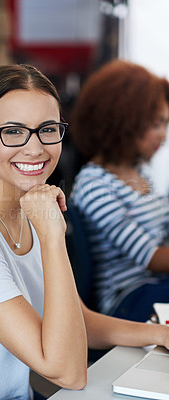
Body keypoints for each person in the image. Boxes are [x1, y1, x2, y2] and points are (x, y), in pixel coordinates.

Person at [0, 64, 169, 400]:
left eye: (47, 129)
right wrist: (52, 237)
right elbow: (67, 372)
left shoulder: (25, 202)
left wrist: (158, 333)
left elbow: (77, 320)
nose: (35, 148)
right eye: (13, 131)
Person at [70, 59, 169, 322]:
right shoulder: (94, 185)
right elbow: (150, 258)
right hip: (127, 301)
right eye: (156, 124)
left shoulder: (140, 173)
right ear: (124, 120)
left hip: (157, 289)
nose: (163, 135)